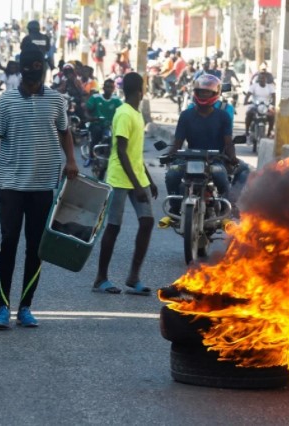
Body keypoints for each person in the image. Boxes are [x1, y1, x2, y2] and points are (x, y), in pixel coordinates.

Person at [0, 46, 78, 329]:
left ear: (43, 68)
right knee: (10, 244)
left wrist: (72, 161)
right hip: (12, 186)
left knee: (36, 248)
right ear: (21, 67)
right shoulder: (5, 101)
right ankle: (2, 307)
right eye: (28, 65)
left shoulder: (56, 100)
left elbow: (65, 132)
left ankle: (25, 307)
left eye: (38, 64)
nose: (33, 70)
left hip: (43, 186)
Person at [92, 72, 157, 296]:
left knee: (147, 222)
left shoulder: (136, 113)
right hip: (119, 179)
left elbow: (135, 153)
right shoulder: (123, 114)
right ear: (140, 90)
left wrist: (146, 179)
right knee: (113, 227)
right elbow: (120, 151)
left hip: (137, 177)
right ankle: (101, 278)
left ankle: (133, 277)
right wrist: (138, 186)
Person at [161, 75, 246, 226]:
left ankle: (225, 211)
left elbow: (228, 142)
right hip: (189, 158)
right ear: (195, 92)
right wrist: (170, 154)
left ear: (215, 94)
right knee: (172, 174)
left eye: (207, 92)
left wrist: (232, 157)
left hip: (214, 159)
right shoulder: (186, 116)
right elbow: (178, 141)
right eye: (200, 92)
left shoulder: (223, 116)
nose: (203, 95)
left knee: (223, 179)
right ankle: (174, 208)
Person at [84, 78, 122, 167]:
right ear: (103, 88)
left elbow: (122, 111)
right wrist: (90, 118)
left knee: (114, 138)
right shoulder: (95, 97)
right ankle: (91, 157)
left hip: (109, 125)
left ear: (114, 89)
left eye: (111, 87)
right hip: (96, 124)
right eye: (107, 87)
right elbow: (86, 110)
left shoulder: (116, 100)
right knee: (96, 134)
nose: (109, 89)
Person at [244, 72, 276, 138]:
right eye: (260, 78)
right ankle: (247, 131)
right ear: (258, 79)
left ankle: (269, 133)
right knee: (249, 113)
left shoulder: (270, 87)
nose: (262, 79)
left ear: (266, 79)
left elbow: (273, 96)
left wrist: (273, 103)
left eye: (263, 78)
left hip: (266, 106)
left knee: (272, 116)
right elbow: (248, 94)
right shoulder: (254, 86)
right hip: (255, 105)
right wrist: (246, 101)